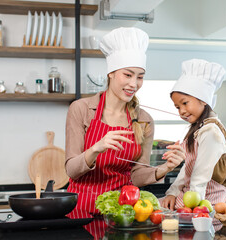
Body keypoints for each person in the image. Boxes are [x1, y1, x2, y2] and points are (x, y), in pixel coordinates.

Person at [65, 27, 185, 238]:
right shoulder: (81, 109)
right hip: (81, 214)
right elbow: (71, 170)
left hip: (124, 215)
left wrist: (165, 168)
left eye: (140, 77)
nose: (133, 84)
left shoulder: (145, 120)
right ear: (111, 73)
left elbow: (137, 176)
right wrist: (96, 148)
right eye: (127, 75)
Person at [161, 59, 226, 212]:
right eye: (177, 107)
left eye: (185, 103)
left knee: (155, 210)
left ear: (203, 99)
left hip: (207, 198)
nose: (181, 111)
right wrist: (173, 192)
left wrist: (194, 211)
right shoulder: (199, 129)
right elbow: (188, 169)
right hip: (193, 195)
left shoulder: (211, 132)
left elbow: (200, 176)